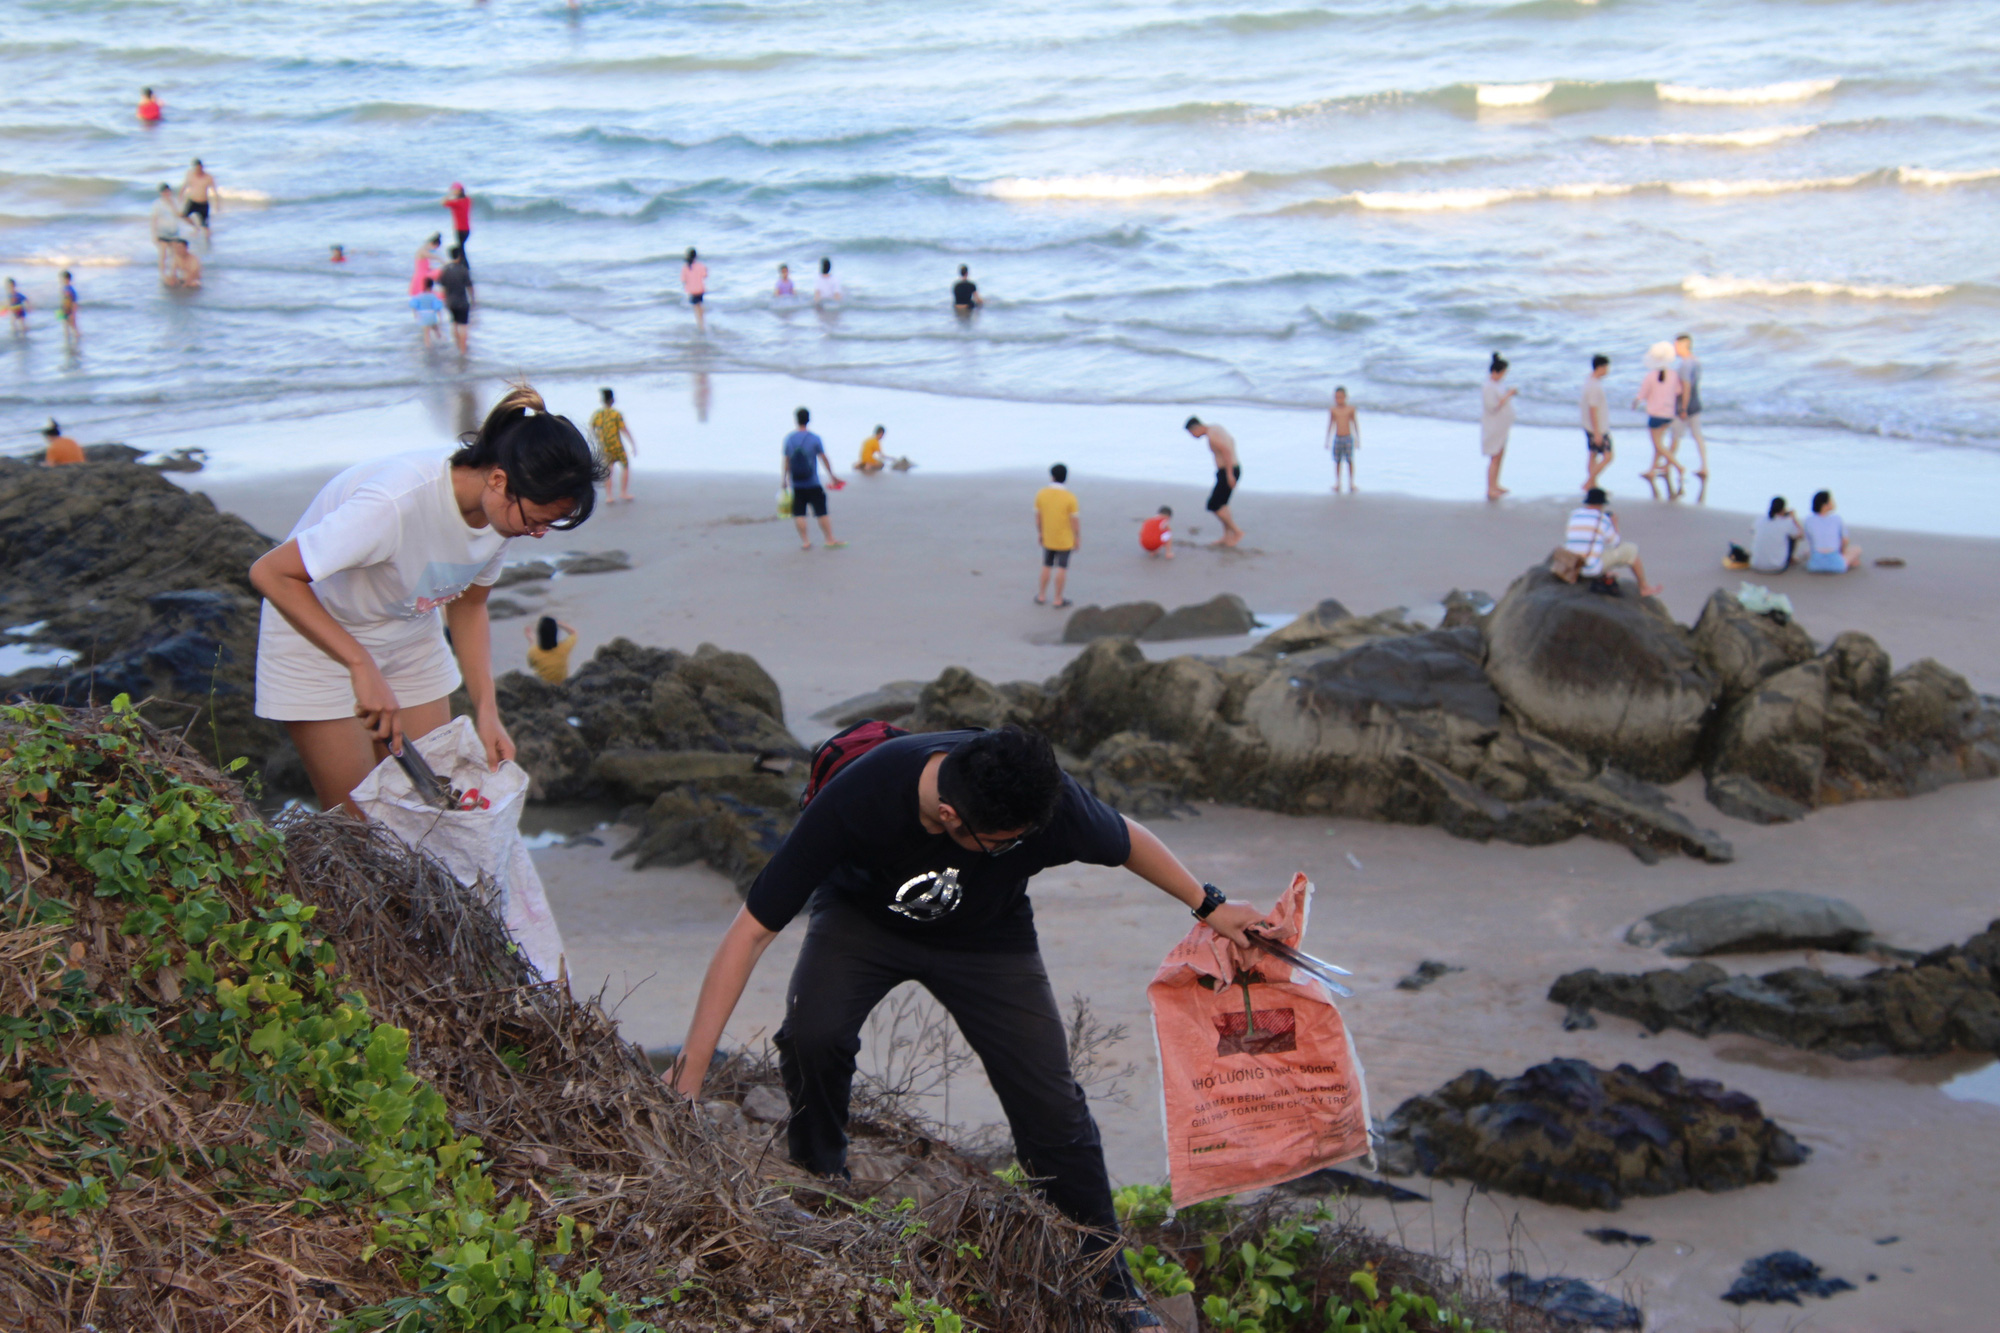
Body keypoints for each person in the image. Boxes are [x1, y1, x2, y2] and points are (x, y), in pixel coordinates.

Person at [669, 725, 1274, 1331]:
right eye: (1004, 844)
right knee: (813, 1036)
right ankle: (822, 1171)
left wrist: (1211, 907)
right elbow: (749, 932)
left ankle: (1110, 1284)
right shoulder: (861, 796)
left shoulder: (1041, 800)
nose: (1022, 848)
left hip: (989, 940)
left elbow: (1125, 840)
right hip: (861, 922)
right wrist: (690, 1078)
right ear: (951, 816)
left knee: (1053, 1109)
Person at [248, 384, 602, 818]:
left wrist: (487, 712)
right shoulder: (394, 503)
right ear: (498, 479)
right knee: (357, 827)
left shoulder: (501, 518)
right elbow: (270, 573)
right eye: (536, 520)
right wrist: (361, 665)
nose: (538, 533)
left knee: (432, 811)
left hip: (409, 637)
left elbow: (469, 607)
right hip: (319, 643)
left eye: (549, 524)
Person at [1565, 487, 1661, 597]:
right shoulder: (1602, 519)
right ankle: (1644, 587)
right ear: (1601, 504)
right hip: (1589, 569)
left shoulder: (1574, 514)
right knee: (1631, 549)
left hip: (1572, 565)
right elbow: (1615, 543)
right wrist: (1614, 523)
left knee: (1593, 546)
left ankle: (1604, 572)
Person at [782, 407, 844, 550]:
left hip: (796, 483)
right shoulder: (814, 439)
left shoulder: (789, 439)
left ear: (796, 420)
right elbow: (823, 458)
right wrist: (832, 476)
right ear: (808, 420)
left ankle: (805, 541)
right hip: (813, 482)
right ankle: (829, 539)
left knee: (799, 513)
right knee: (821, 511)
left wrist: (784, 480)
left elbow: (786, 461)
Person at [1633, 344, 1684, 497]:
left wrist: (1636, 402)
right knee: (1659, 445)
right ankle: (1652, 470)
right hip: (1669, 413)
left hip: (1655, 414)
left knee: (1657, 445)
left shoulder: (1650, 376)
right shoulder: (1673, 375)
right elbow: (1678, 391)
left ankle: (1678, 466)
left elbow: (1642, 394)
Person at [1184, 416, 1243, 546]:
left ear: (1196, 428)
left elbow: (1226, 451)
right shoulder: (1216, 428)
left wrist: (1229, 475)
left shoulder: (1212, 435)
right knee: (1223, 504)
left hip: (1228, 471)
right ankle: (1227, 536)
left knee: (1213, 505)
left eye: (1191, 433)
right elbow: (1231, 441)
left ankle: (1237, 532)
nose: (1193, 436)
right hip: (1230, 469)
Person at [1034, 463, 1080, 608]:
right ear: (1065, 478)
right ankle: (1058, 598)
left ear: (1052, 476)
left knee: (1046, 565)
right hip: (1065, 539)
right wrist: (1077, 537)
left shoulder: (1041, 494)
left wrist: (1040, 532)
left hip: (1048, 536)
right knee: (1062, 567)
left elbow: (1038, 517)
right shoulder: (1070, 498)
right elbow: (1074, 521)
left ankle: (1041, 595)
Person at [1671, 333, 1708, 481]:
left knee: (1675, 436)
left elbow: (1686, 386)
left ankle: (1668, 464)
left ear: (1682, 345)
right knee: (1697, 436)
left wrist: (1683, 408)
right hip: (1696, 402)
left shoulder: (1685, 364)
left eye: (1676, 345)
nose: (1675, 348)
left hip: (1685, 405)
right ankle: (1704, 466)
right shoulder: (1696, 362)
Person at [591, 387, 638, 502]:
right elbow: (623, 429)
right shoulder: (616, 414)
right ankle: (623, 492)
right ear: (612, 400)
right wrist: (633, 443)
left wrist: (597, 439)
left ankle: (609, 496)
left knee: (608, 470)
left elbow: (592, 428)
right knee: (625, 466)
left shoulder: (597, 414)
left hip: (605, 445)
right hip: (616, 445)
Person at [1480, 353, 1516, 500]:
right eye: (1502, 373)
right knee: (1494, 457)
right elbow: (1492, 406)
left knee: (1500, 455)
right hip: (1493, 426)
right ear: (1495, 372)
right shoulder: (1488, 387)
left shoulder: (1497, 385)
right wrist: (1508, 395)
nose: (1503, 376)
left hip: (1501, 426)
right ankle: (1490, 488)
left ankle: (1496, 484)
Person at [1801, 490, 1861, 572]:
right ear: (1825, 505)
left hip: (1813, 566)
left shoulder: (1808, 520)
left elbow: (1810, 541)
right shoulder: (1837, 519)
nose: (1833, 502)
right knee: (1857, 549)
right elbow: (1845, 541)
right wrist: (1841, 554)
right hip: (1837, 566)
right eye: (1831, 501)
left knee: (1808, 552)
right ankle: (1847, 562)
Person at [1581, 354, 1612, 490]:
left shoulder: (1589, 381)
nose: (1607, 370)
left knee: (1593, 455)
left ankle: (1592, 484)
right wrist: (1597, 432)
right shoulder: (1594, 386)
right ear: (1600, 367)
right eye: (1606, 367)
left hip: (1590, 426)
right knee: (1608, 456)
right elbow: (1593, 409)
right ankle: (1589, 482)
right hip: (1597, 427)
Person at [1749, 497, 1802, 574]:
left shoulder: (1760, 519)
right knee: (1792, 537)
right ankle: (1790, 559)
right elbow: (1800, 535)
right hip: (1776, 567)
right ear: (1783, 509)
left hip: (1755, 565)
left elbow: (1752, 531)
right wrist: (1794, 519)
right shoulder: (1786, 523)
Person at [436, 246, 473, 354]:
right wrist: (473, 299)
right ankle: (463, 350)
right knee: (463, 326)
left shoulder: (445, 270)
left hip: (450, 302)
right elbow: (469, 286)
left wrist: (444, 300)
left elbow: (442, 287)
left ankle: (458, 345)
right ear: (460, 256)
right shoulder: (463, 269)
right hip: (462, 302)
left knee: (454, 324)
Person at [1324, 385, 1359, 493]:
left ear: (1346, 397)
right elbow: (1330, 424)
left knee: (1349, 460)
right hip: (1338, 438)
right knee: (1337, 461)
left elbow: (1354, 423)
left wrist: (1357, 439)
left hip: (1348, 437)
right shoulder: (1333, 410)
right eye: (1336, 397)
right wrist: (1327, 439)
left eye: (1340, 397)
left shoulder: (1350, 409)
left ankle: (1351, 483)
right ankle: (1338, 483)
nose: (1338, 399)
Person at [524, 616, 579, 684]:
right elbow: (574, 633)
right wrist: (560, 624)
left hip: (544, 688)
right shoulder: (564, 647)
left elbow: (531, 665)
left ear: (539, 634)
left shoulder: (533, 652)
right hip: (562, 686)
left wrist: (531, 640)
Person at [150, 184, 182, 281]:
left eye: (168, 191)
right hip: (162, 232)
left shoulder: (176, 201)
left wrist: (172, 204)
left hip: (174, 231)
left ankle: (173, 273)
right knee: (163, 255)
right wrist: (154, 234)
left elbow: (179, 215)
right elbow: (154, 219)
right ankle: (163, 275)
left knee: (174, 254)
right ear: (161, 193)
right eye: (164, 192)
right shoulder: (157, 203)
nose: (167, 193)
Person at [181, 159, 217, 241]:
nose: (198, 171)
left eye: (200, 169)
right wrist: (181, 196)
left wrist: (216, 203)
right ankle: (196, 228)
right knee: (183, 216)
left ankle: (208, 241)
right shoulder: (190, 174)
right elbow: (184, 186)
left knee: (205, 226)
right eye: (196, 169)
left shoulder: (208, 177)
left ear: (202, 167)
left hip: (203, 203)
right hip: (192, 201)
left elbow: (214, 190)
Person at [410, 277, 445, 348]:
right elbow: (437, 307)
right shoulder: (434, 296)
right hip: (432, 316)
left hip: (423, 316)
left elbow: (414, 305)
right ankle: (442, 341)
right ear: (432, 286)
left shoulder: (419, 296)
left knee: (426, 335)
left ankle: (428, 349)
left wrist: (415, 315)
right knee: (436, 329)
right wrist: (440, 318)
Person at [442, 183, 473, 257]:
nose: (453, 192)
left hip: (460, 229)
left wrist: (449, 195)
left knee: (461, 249)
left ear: (459, 191)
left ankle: (464, 266)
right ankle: (464, 266)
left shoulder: (457, 203)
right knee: (461, 248)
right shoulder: (468, 200)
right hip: (467, 229)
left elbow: (443, 203)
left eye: (454, 190)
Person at [682, 247, 708, 330]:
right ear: (696, 257)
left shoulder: (685, 267)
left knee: (696, 307)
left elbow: (683, 280)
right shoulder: (700, 266)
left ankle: (700, 324)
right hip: (700, 289)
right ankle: (702, 323)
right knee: (699, 305)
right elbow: (704, 276)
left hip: (692, 290)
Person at [58, 271, 78, 346]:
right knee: (65, 325)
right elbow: (63, 299)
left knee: (73, 325)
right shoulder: (64, 288)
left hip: (69, 309)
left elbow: (74, 302)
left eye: (64, 279)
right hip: (63, 309)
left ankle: (77, 338)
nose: (62, 281)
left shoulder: (71, 290)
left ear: (68, 279)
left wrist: (73, 313)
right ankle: (68, 341)